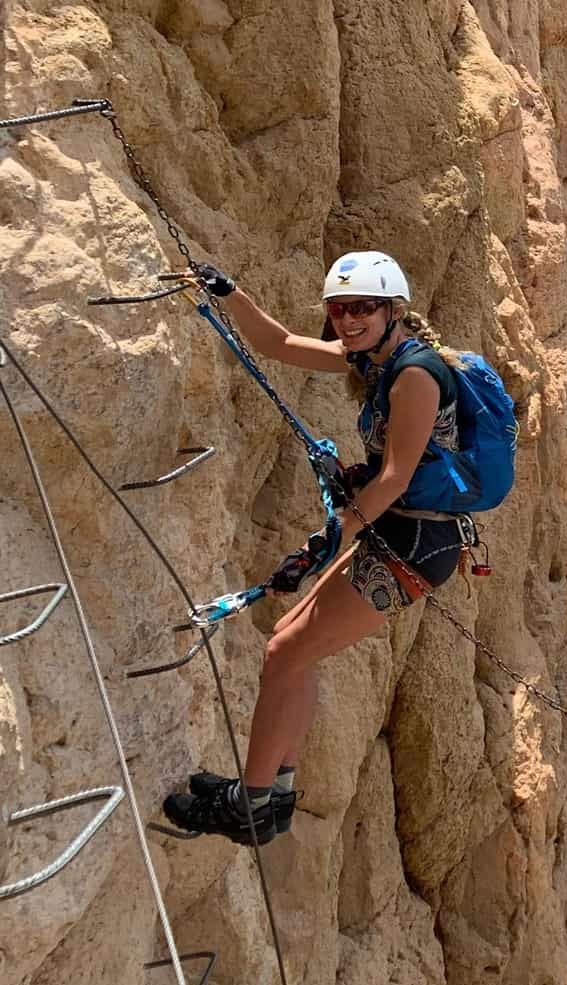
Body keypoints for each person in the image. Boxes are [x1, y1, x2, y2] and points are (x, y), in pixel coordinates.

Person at [162, 251, 471, 845]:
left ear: (392, 310)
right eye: (339, 309)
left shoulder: (415, 376)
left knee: (284, 655)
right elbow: (278, 344)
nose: (348, 319)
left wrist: (331, 539)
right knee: (291, 650)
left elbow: (396, 476)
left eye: (362, 308)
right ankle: (272, 795)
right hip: (400, 533)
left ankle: (248, 805)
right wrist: (226, 290)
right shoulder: (376, 359)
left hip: (414, 542)